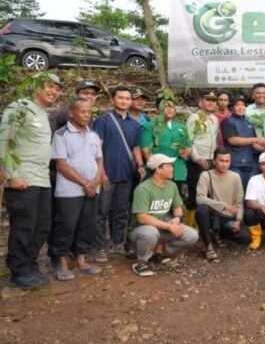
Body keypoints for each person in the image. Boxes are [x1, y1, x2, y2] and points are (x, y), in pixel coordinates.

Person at [0, 72, 62, 289]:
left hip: (42, 180)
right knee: (24, 227)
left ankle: (29, 265)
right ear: (35, 85)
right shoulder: (20, 107)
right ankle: (19, 272)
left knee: (42, 226)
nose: (54, 91)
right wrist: (11, 174)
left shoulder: (42, 113)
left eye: (57, 89)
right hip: (23, 178)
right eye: (49, 86)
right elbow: (4, 139)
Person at [50, 99, 103, 281]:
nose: (87, 115)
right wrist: (85, 183)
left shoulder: (93, 135)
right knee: (66, 226)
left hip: (91, 189)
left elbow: (99, 160)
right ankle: (62, 263)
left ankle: (82, 260)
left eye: (89, 112)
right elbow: (62, 164)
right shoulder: (61, 134)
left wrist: (95, 182)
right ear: (71, 113)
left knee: (87, 225)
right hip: (69, 191)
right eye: (82, 112)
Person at [94, 86, 146, 262]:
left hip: (126, 174)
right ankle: (100, 247)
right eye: (120, 97)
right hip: (107, 173)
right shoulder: (103, 121)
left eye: (127, 98)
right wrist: (100, 172)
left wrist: (140, 165)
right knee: (101, 211)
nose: (124, 101)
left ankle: (118, 243)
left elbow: (136, 148)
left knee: (121, 211)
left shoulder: (135, 124)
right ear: (113, 99)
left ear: (131, 101)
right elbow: (98, 148)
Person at [128, 154, 198, 277]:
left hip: (162, 227)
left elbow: (178, 207)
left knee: (192, 235)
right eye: (168, 166)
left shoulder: (172, 186)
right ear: (158, 169)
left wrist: (177, 218)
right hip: (140, 230)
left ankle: (157, 253)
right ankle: (141, 261)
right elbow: (142, 218)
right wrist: (169, 226)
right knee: (150, 232)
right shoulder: (143, 188)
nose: (172, 168)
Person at [195, 147, 249, 259]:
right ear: (214, 161)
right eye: (221, 161)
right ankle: (208, 246)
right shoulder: (206, 175)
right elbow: (199, 198)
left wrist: (238, 220)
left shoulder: (235, 177)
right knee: (201, 210)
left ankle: (219, 234)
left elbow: (239, 202)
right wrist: (224, 206)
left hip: (227, 218)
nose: (224, 164)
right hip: (212, 216)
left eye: (227, 161)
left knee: (245, 238)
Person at [141, 96, 193, 199]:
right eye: (165, 106)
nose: (169, 109)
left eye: (172, 107)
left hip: (177, 171)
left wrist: (186, 152)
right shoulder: (149, 126)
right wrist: (155, 168)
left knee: (176, 200)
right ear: (157, 109)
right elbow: (145, 149)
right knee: (158, 201)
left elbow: (189, 147)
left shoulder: (182, 127)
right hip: (158, 172)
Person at [221, 95, 265, 190]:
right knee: (237, 192)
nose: (240, 107)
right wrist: (255, 139)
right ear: (231, 108)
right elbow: (232, 140)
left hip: (250, 163)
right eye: (237, 105)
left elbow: (254, 145)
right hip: (235, 164)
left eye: (242, 105)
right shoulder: (227, 121)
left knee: (250, 191)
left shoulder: (249, 123)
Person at [186, 91, 219, 212]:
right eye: (208, 100)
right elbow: (188, 139)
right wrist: (197, 158)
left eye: (213, 100)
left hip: (211, 160)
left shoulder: (214, 119)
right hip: (197, 161)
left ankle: (205, 220)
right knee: (195, 192)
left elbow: (214, 139)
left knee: (208, 193)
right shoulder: (194, 117)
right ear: (201, 102)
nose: (211, 103)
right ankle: (191, 221)